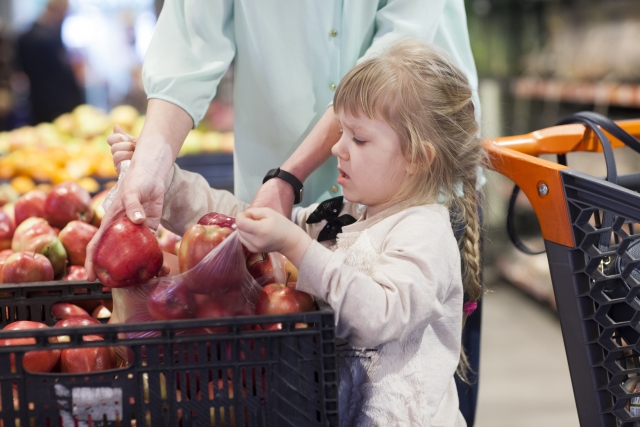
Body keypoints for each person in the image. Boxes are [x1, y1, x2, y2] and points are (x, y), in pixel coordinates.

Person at [89, 2, 484, 424]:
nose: (336, 148)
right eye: (341, 132)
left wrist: (295, 244)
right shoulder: (344, 213)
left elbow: (380, 316)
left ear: (418, 158)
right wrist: (165, 181)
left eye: (359, 139)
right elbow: (245, 219)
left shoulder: (425, 233)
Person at [15, 0, 83, 124]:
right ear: (57, 12)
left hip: (37, 101)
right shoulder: (48, 37)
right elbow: (63, 73)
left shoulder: (25, 36)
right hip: (57, 103)